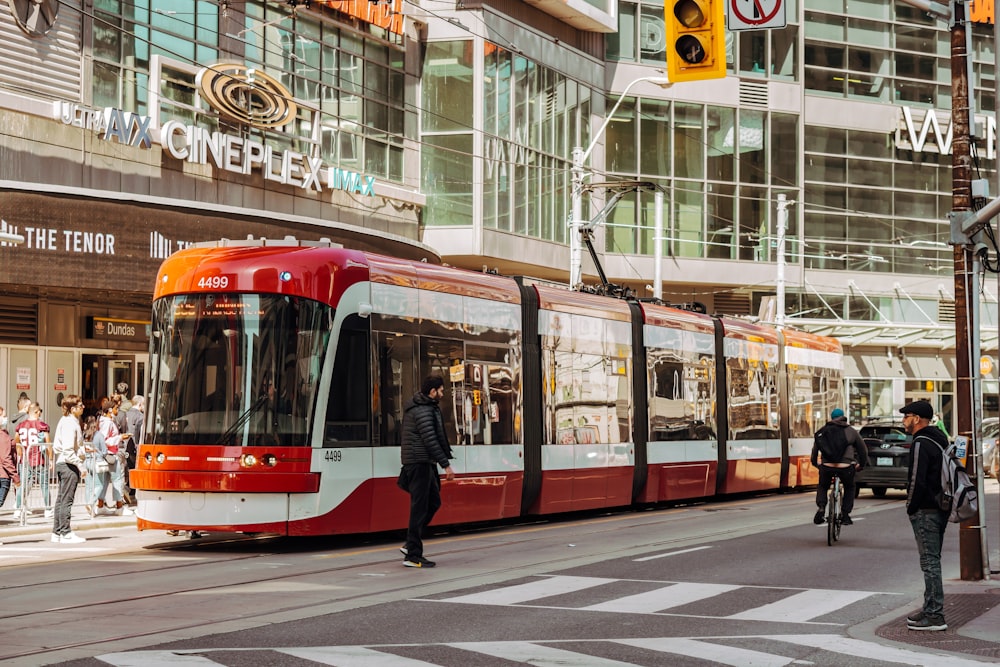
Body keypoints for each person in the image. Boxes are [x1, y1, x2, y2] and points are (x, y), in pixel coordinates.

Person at [900, 399, 950, 632]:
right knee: (933, 560)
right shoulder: (939, 439)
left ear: (917, 419)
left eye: (906, 416)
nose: (904, 420)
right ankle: (929, 607)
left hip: (926, 509)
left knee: (929, 562)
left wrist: (910, 506)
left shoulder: (921, 442)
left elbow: (916, 479)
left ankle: (935, 615)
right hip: (940, 507)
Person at [399, 375, 454, 568]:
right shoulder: (422, 410)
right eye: (441, 389)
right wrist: (445, 464)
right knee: (419, 507)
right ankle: (413, 555)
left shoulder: (426, 407)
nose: (442, 392)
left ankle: (410, 543)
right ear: (432, 392)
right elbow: (430, 439)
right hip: (419, 462)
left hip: (424, 462)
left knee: (433, 502)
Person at [811, 407, 869, 526]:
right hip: (845, 467)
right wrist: (861, 465)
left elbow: (815, 451)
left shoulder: (822, 431)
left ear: (831, 418)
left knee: (822, 486)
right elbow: (863, 451)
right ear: (843, 417)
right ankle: (846, 514)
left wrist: (816, 464)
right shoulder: (851, 431)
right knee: (850, 487)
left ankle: (821, 507)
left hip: (827, 466)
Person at [51, 395, 87, 543]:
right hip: (68, 465)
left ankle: (57, 532)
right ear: (73, 409)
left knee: (61, 499)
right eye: (80, 405)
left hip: (63, 463)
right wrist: (80, 465)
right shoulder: (70, 423)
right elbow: (68, 449)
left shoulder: (66, 421)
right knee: (66, 500)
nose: (83, 407)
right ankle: (65, 532)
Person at [13, 402, 52, 519]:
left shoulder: (20, 425)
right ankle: (48, 509)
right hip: (38, 458)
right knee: (44, 485)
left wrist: (21, 455)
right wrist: (50, 458)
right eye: (39, 411)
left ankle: (18, 508)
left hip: (25, 459)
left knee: (23, 485)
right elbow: (48, 442)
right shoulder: (41, 425)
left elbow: (17, 442)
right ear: (36, 412)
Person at [97, 396, 131, 514]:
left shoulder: (103, 421)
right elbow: (105, 440)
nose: (118, 410)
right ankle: (119, 507)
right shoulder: (108, 423)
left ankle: (100, 505)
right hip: (111, 454)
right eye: (116, 408)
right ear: (110, 410)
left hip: (107, 455)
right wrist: (120, 437)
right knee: (117, 480)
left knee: (105, 480)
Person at [122, 395, 144, 505]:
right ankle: (130, 490)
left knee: (128, 469)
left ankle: (128, 490)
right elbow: (139, 433)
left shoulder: (125, 414)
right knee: (135, 469)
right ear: (140, 404)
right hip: (135, 447)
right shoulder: (140, 416)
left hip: (125, 445)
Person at [0, 411, 19, 541]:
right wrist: (15, 477)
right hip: (3, 475)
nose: (5, 418)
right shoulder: (2, 436)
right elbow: (5, 458)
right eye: (3, 415)